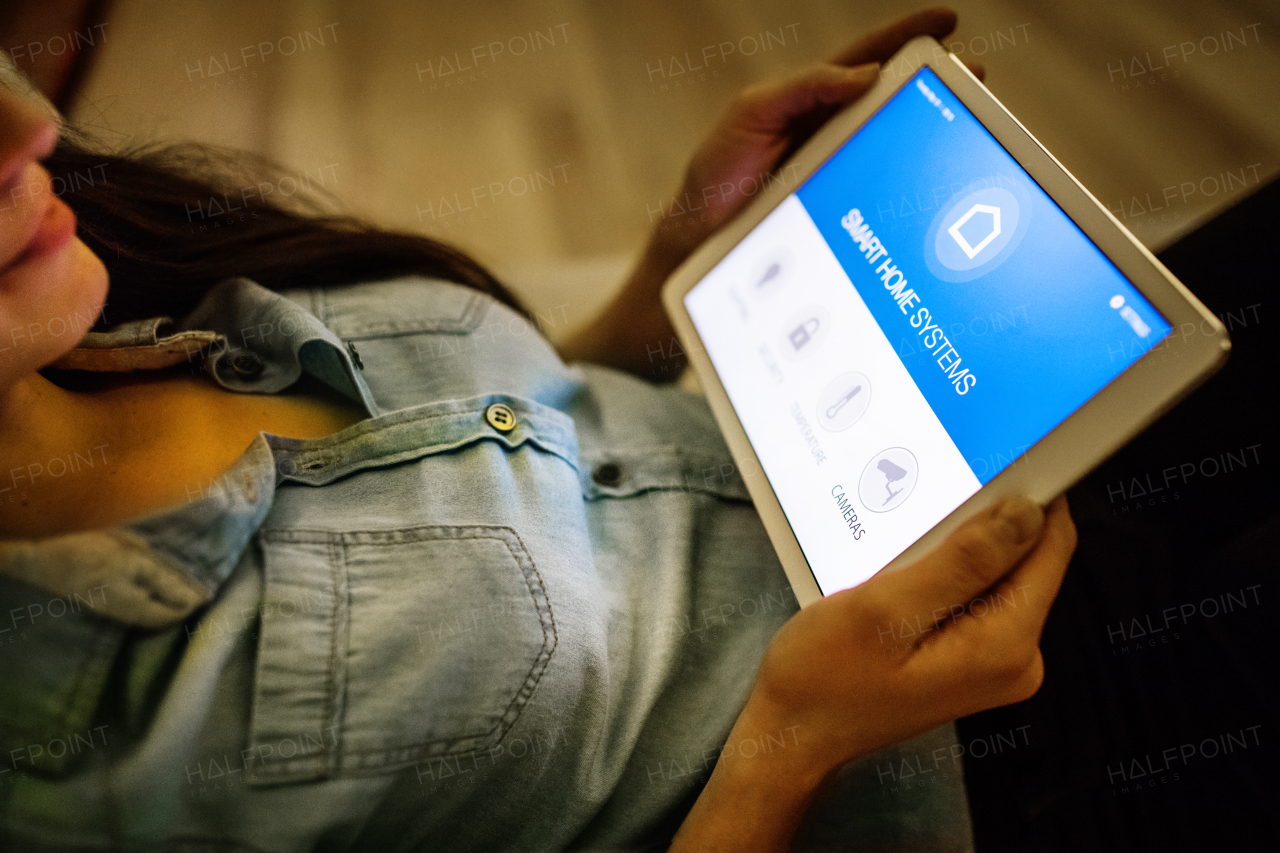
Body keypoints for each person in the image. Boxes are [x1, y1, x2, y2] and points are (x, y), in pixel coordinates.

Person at [0, 8, 1076, 852]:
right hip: (979, 766)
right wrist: (797, 741)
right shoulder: (74, 781)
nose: (28, 128)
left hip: (931, 478)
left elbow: (543, 428)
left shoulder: (127, 289)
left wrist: (680, 269)